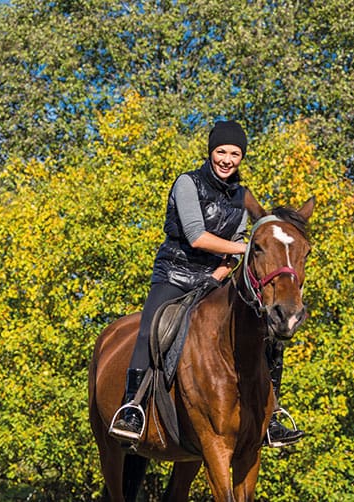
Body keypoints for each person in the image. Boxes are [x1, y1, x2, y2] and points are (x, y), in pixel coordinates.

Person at [109, 120, 304, 448]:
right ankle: (133, 408)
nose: (227, 159)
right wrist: (248, 248)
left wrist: (223, 271)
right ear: (211, 152)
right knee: (149, 328)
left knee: (266, 333)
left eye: (235, 153)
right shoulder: (187, 183)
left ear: (241, 157)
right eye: (221, 151)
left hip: (215, 280)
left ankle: (271, 417)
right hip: (174, 274)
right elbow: (197, 237)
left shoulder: (242, 196)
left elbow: (239, 242)